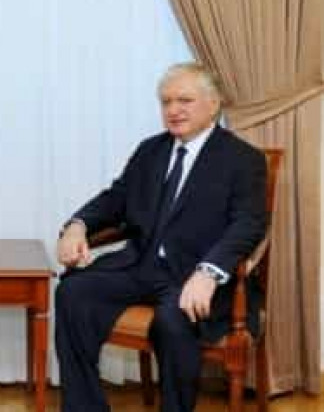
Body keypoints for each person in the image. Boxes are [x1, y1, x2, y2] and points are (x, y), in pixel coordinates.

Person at [55, 62, 267, 412]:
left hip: (194, 275)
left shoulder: (243, 159)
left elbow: (248, 224)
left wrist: (209, 272)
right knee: (73, 292)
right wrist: (77, 225)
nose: (173, 110)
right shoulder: (150, 150)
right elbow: (116, 199)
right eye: (166, 102)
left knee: (174, 320)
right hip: (141, 265)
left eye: (184, 100)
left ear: (213, 104)